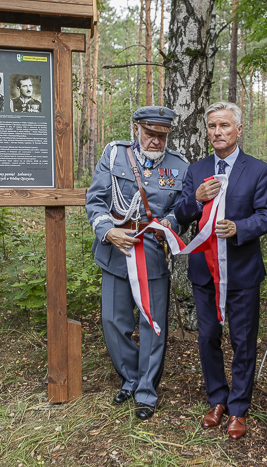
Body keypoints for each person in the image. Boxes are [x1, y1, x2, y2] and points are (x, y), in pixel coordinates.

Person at [175, 101, 267, 439]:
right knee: (208, 337)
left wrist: (239, 228)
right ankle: (217, 399)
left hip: (242, 271)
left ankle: (238, 407)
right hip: (204, 272)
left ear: (238, 130)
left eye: (224, 125)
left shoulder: (259, 170)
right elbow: (182, 214)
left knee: (243, 340)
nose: (217, 132)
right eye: (212, 126)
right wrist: (196, 198)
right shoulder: (197, 170)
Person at [86, 105, 188, 420]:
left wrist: (172, 222)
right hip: (116, 252)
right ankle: (129, 378)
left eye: (162, 135)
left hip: (153, 255)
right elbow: (96, 200)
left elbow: (183, 208)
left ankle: (146, 391)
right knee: (113, 322)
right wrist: (108, 232)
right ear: (136, 129)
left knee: (153, 326)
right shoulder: (115, 154)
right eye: (150, 133)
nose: (156, 141)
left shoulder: (180, 165)